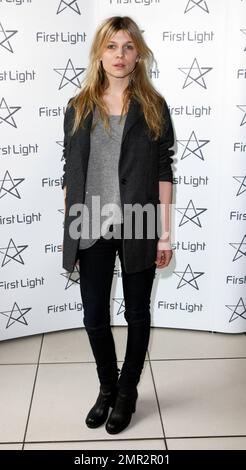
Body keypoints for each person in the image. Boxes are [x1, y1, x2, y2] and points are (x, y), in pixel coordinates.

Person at [61, 16, 174, 434]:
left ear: (138, 53)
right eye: (111, 46)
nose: (120, 55)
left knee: (137, 312)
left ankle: (128, 391)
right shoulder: (78, 106)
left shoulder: (153, 107)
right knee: (94, 315)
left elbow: (164, 171)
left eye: (128, 46)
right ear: (100, 53)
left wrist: (164, 232)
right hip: (88, 221)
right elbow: (71, 171)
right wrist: (70, 227)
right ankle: (107, 388)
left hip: (139, 222)